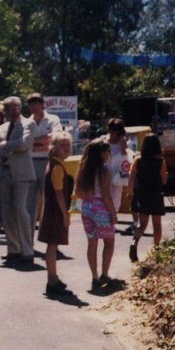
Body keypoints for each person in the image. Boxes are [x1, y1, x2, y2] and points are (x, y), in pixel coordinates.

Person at [0, 96, 37, 265]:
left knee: (20, 210)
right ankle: (13, 249)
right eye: (9, 108)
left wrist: (4, 145)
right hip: (4, 172)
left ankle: (27, 249)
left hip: (22, 174)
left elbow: (23, 145)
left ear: (20, 108)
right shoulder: (1, 128)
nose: (13, 111)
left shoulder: (28, 124)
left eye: (15, 107)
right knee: (7, 212)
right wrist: (8, 146)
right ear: (4, 110)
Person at [73, 139, 117, 291]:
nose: (109, 154)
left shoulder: (84, 170)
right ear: (101, 153)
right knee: (109, 242)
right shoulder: (103, 170)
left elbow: (78, 192)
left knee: (92, 242)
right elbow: (106, 194)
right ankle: (105, 273)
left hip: (86, 206)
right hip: (100, 207)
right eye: (107, 151)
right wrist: (113, 212)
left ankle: (94, 276)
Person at [24, 92, 62, 248]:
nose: (33, 106)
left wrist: (35, 143)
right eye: (31, 103)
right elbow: (25, 143)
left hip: (48, 163)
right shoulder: (26, 122)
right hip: (30, 163)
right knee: (29, 204)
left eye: (36, 103)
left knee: (49, 203)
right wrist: (42, 142)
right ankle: (28, 244)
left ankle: (51, 243)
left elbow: (55, 140)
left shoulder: (53, 119)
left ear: (42, 104)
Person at [38, 131, 74, 295]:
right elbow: (58, 193)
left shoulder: (54, 164)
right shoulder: (57, 167)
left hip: (51, 210)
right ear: (54, 148)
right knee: (52, 246)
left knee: (53, 246)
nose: (66, 148)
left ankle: (53, 277)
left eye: (68, 145)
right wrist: (65, 215)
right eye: (62, 145)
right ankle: (51, 280)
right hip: (55, 212)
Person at [127, 134, 167, 263]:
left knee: (142, 224)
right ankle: (156, 249)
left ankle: (134, 241)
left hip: (142, 193)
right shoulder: (161, 161)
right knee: (157, 224)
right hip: (155, 194)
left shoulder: (138, 160)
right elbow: (164, 180)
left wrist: (130, 192)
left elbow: (131, 178)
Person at [103, 118, 133, 229]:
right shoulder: (104, 140)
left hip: (117, 173)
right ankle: (106, 220)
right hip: (105, 170)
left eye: (113, 130)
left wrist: (122, 146)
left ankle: (112, 221)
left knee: (115, 196)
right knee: (104, 194)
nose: (110, 132)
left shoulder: (122, 141)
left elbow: (125, 156)